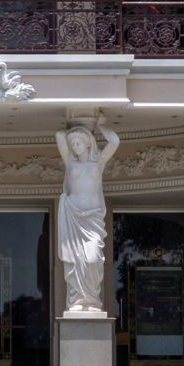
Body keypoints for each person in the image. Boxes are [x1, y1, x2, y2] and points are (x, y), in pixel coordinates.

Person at [56, 122, 119, 313]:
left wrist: (100, 125)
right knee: (75, 262)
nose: (75, 146)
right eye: (73, 143)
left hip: (92, 220)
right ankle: (76, 302)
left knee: (92, 259)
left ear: (88, 143)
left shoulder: (98, 163)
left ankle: (92, 301)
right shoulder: (70, 163)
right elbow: (59, 134)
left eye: (78, 142)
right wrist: (73, 128)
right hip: (74, 215)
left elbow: (115, 141)